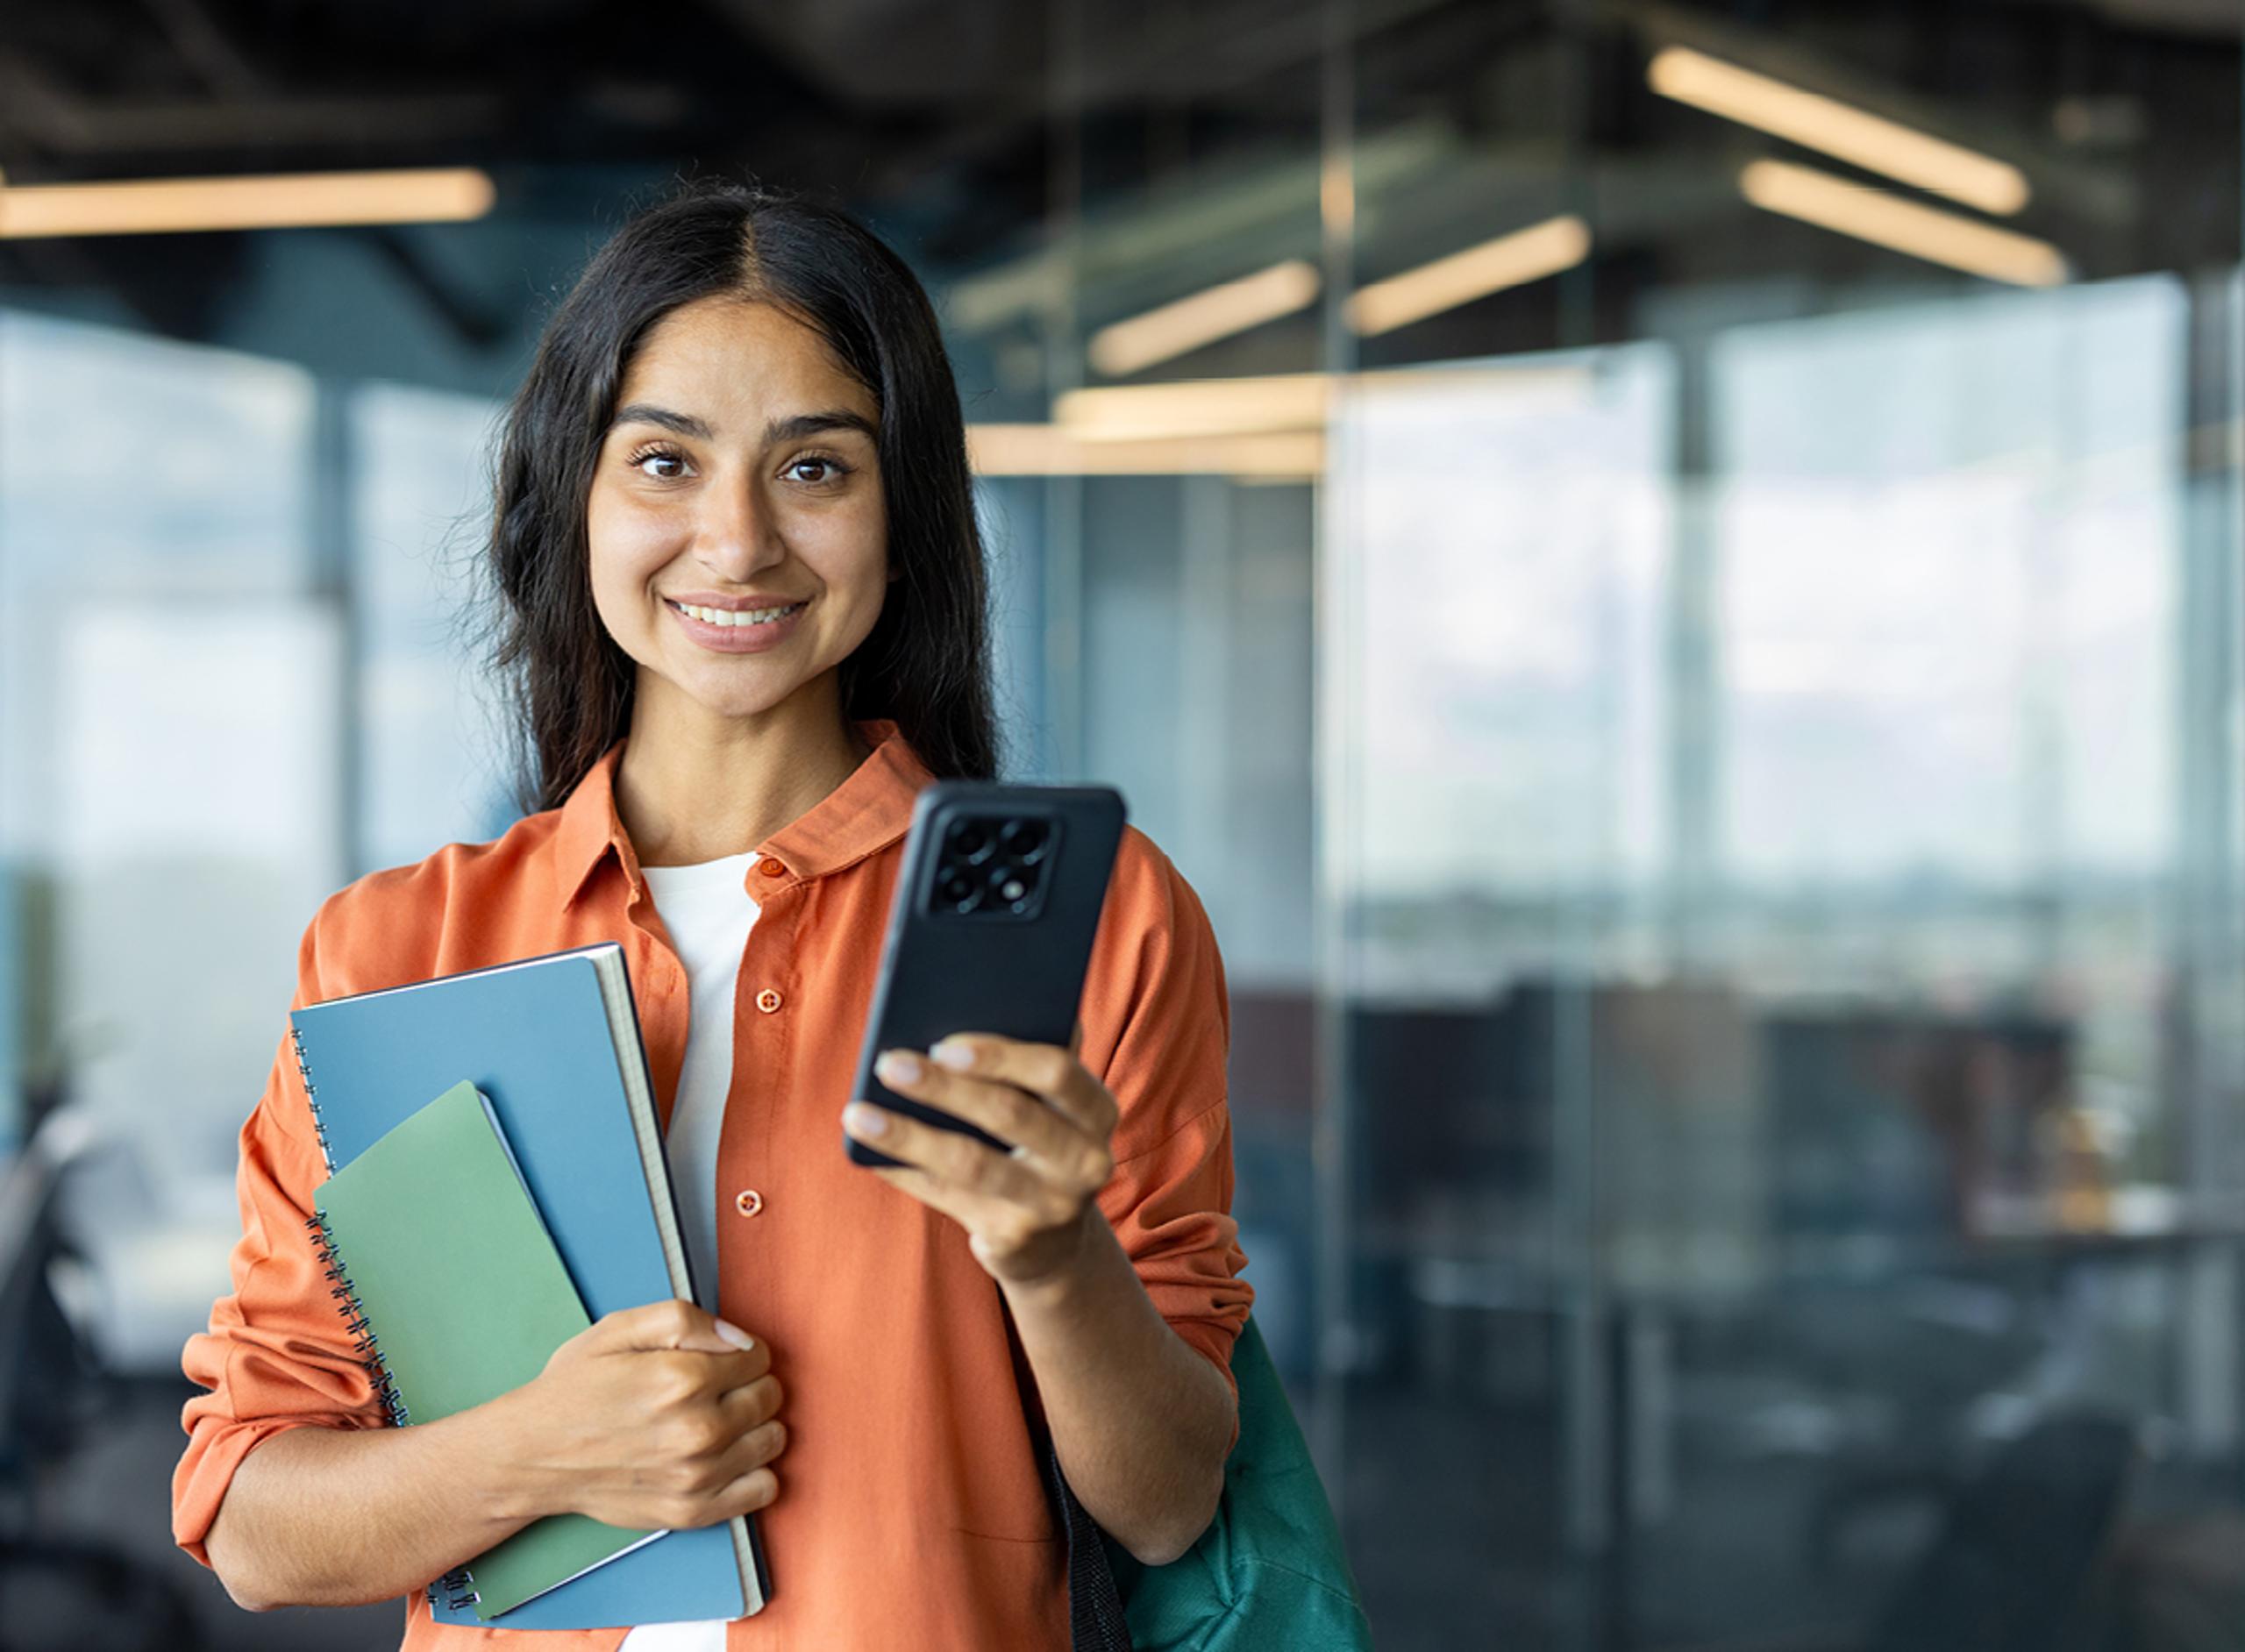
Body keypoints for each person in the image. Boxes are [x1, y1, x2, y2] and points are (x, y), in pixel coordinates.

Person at [170, 178, 1254, 1652]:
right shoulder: (390, 953)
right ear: (578, 498)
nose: (736, 542)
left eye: (816, 470)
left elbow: (1170, 1503)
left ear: (904, 514)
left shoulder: (1100, 922)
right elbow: (252, 1518)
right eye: (666, 462)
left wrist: (1055, 1255)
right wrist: (545, 1449)